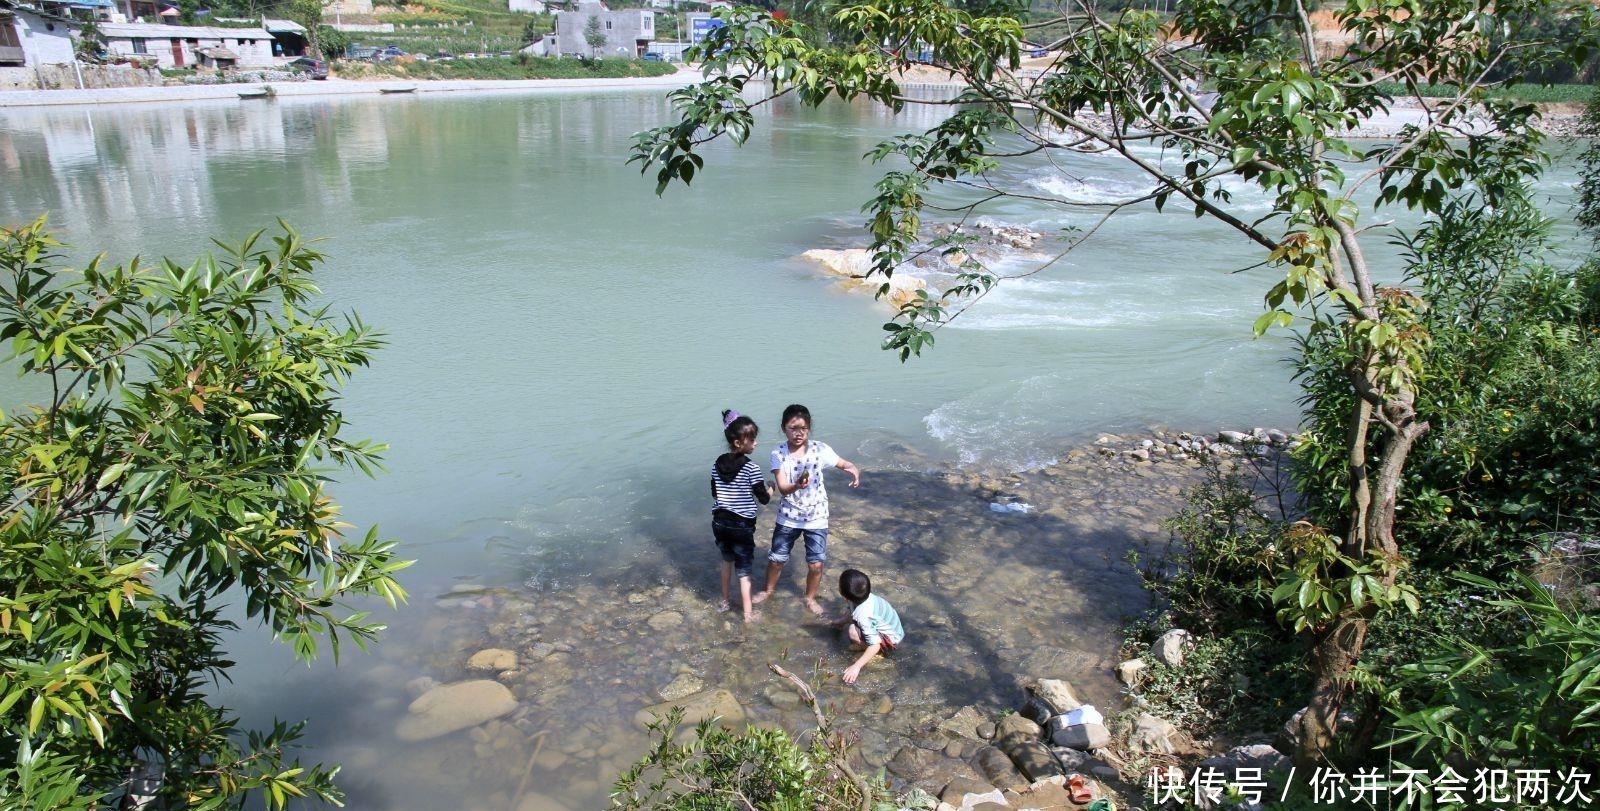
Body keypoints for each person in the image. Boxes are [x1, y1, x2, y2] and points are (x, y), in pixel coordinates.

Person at [753, 404, 860, 616]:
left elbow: (842, 463)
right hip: (788, 517)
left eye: (803, 428)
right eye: (793, 428)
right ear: (784, 428)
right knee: (776, 560)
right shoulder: (778, 453)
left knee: (816, 565)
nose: (798, 433)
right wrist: (797, 486)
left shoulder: (820, 449)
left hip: (817, 517)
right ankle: (768, 591)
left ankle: (810, 598)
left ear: (809, 428)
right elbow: (783, 488)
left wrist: (854, 469)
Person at [711, 409, 771, 622]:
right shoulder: (751, 468)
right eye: (752, 440)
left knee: (726, 561)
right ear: (738, 443)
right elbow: (763, 498)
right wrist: (772, 488)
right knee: (744, 571)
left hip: (720, 522)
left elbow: (715, 493)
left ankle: (724, 602)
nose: (755, 443)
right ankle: (747, 615)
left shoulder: (716, 464)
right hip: (741, 526)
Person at [836, 568, 904, 684]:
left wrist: (856, 666)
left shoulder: (864, 615)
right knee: (854, 625)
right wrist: (841, 621)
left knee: (852, 631)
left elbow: (875, 644)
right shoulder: (866, 598)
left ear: (844, 596)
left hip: (892, 642)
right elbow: (852, 612)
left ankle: (876, 655)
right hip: (895, 632)